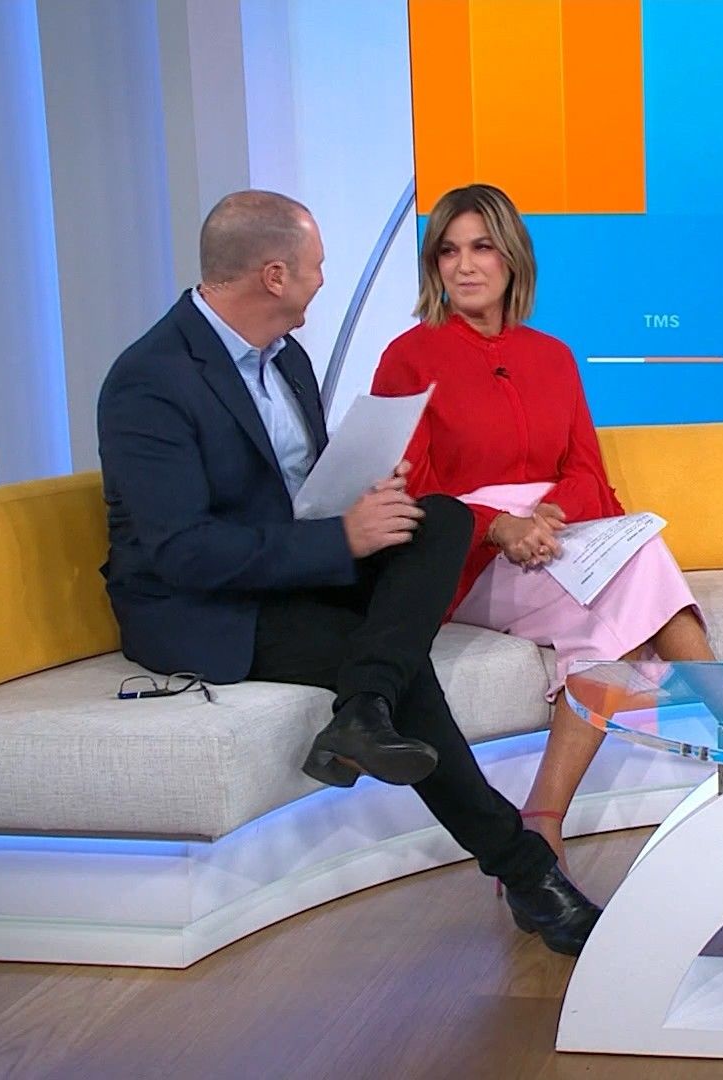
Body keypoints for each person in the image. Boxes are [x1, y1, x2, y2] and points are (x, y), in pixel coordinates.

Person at [96, 190, 599, 955]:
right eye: (315, 267)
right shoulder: (151, 380)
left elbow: (302, 491)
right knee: (399, 668)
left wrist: (365, 498)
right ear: (274, 275)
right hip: (205, 605)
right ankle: (529, 872)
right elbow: (182, 552)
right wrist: (341, 540)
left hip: (296, 569)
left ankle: (362, 711)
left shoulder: (287, 358)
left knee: (443, 518)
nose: (322, 281)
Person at [372, 184, 717, 870]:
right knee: (642, 565)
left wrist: (550, 512)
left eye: (481, 247)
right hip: (467, 555)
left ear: (512, 259)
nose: (465, 265)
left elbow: (589, 473)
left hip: (559, 539)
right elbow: (411, 493)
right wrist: (499, 525)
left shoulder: (552, 355)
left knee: (625, 586)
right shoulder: (408, 358)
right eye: (448, 251)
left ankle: (541, 823)